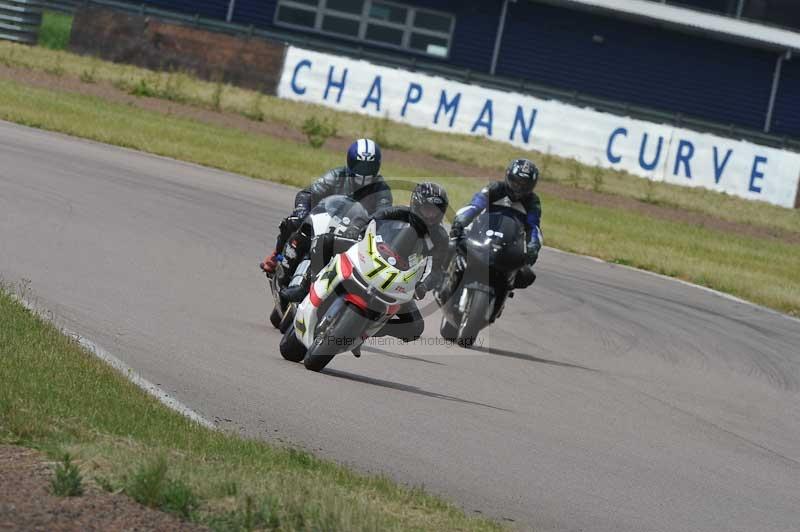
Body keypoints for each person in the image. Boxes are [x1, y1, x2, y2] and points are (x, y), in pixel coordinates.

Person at [282, 182, 450, 343]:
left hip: (398, 279)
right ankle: (305, 286)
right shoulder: (400, 212)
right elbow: (373, 218)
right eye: (427, 209)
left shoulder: (441, 238)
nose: (431, 215)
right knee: (326, 241)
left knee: (415, 327)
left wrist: (423, 286)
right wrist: (357, 230)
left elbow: (438, 271)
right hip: (371, 256)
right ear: (416, 204)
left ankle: (366, 329)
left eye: (435, 211)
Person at [260, 138, 392, 274]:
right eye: (360, 166)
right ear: (350, 162)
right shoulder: (337, 175)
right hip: (326, 222)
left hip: (355, 234)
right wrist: (302, 212)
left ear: (377, 166)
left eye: (368, 167)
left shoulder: (382, 190)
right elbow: (307, 193)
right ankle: (276, 255)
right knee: (294, 222)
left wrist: (367, 231)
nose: (364, 172)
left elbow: (382, 218)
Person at [438, 158, 542, 303]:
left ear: (532, 186)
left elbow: (533, 227)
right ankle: (443, 278)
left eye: (524, 185)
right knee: (451, 245)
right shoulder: (495, 188)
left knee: (527, 275)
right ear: (508, 177)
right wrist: (460, 221)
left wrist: (533, 247)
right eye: (516, 181)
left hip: (509, 245)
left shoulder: (532, 202)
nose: (518, 188)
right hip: (482, 235)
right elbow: (475, 206)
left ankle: (502, 293)